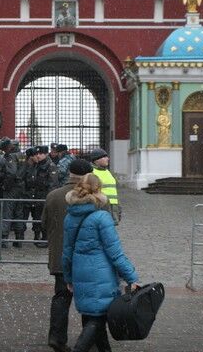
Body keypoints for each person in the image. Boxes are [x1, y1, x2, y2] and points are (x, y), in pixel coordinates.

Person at [62, 173, 140, 352]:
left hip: (80, 271)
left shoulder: (70, 216)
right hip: (100, 273)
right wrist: (131, 277)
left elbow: (66, 252)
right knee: (97, 319)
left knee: (91, 315)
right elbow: (115, 252)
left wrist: (68, 278)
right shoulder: (102, 217)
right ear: (99, 190)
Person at [42, 159, 93, 352]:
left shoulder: (54, 195)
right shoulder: (94, 197)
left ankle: (56, 337)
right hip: (86, 258)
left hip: (60, 256)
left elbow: (44, 223)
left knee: (61, 297)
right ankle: (89, 339)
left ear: (70, 173)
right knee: (89, 299)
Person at [0, 138, 25, 248]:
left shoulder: (11, 156)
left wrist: (1, 179)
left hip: (12, 188)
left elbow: (11, 173)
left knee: (7, 213)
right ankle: (19, 239)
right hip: (21, 187)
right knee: (19, 213)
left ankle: (4, 239)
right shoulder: (21, 155)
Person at [23, 145, 58, 247]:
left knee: (44, 219)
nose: (38, 156)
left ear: (46, 154)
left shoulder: (50, 166)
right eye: (37, 154)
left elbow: (53, 184)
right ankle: (36, 236)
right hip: (35, 195)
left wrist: (49, 199)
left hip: (44, 196)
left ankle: (45, 239)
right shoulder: (35, 165)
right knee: (36, 218)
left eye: (40, 154)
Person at [90, 148, 121, 224]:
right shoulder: (91, 173)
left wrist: (119, 208)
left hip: (113, 208)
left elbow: (114, 192)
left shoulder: (109, 172)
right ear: (96, 160)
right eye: (104, 157)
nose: (108, 159)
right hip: (100, 208)